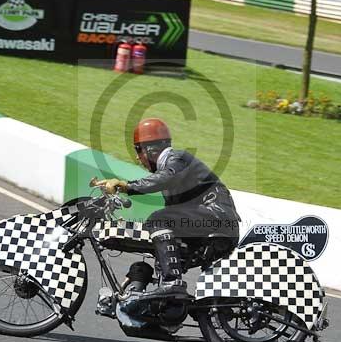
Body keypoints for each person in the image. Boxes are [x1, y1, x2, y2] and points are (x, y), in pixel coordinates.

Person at [97, 118, 241, 297]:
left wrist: (125, 186)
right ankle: (160, 302)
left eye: (138, 150)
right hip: (210, 225)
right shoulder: (171, 181)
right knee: (161, 246)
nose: (137, 157)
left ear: (150, 148)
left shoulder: (178, 159)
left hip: (217, 218)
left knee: (158, 219)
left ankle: (172, 282)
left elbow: (165, 177)